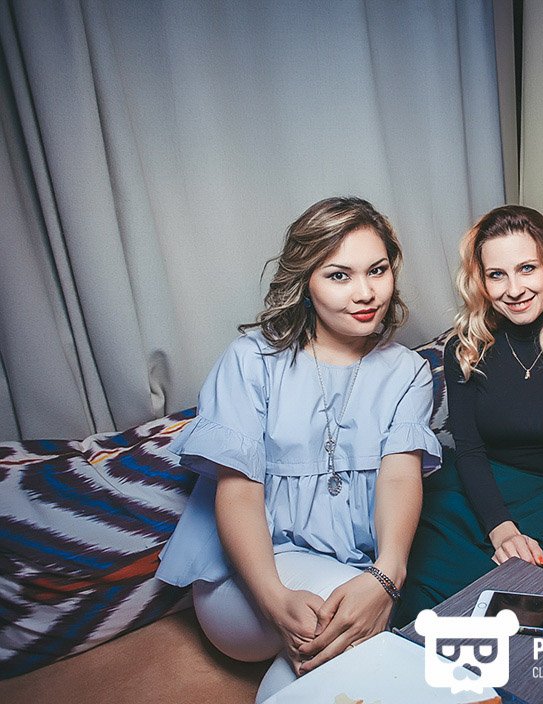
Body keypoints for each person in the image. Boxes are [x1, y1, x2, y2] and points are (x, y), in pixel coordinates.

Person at [156, 197, 441, 703]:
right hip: (246, 584)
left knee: (357, 630)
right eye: (339, 276)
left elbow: (400, 475)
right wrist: (273, 598)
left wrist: (388, 575)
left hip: (351, 572)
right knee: (354, 624)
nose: (365, 292)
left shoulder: (408, 372)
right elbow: (238, 492)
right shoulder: (250, 361)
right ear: (305, 282)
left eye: (377, 270)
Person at [395, 205, 543, 625]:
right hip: (471, 495)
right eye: (497, 275)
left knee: (535, 611)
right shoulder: (466, 347)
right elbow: (469, 450)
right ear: (480, 281)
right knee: (428, 602)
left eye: (527, 269)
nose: (513, 289)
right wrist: (501, 529)